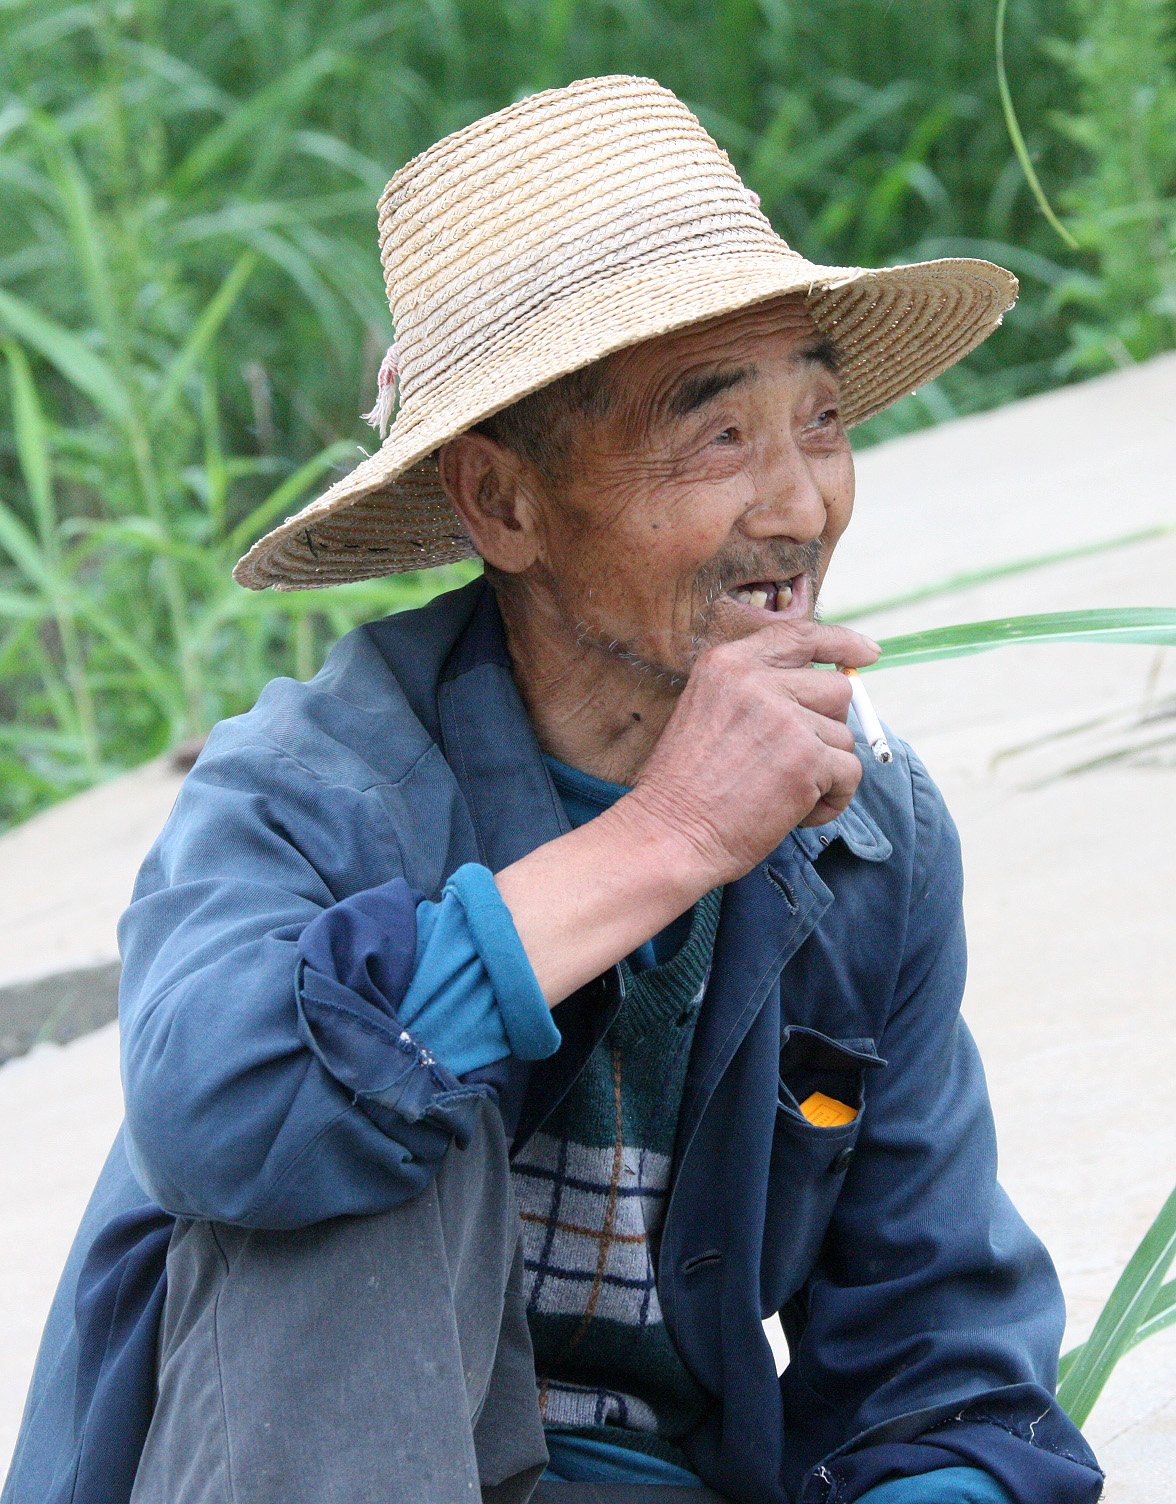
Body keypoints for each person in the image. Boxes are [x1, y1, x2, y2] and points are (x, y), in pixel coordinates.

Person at [3, 75, 1104, 1504]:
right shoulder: (313, 791)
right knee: (358, 1106)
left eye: (821, 424)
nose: (799, 507)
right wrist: (669, 836)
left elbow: (941, 1355)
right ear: (503, 504)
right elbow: (231, 1112)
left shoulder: (867, 841)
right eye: (717, 437)